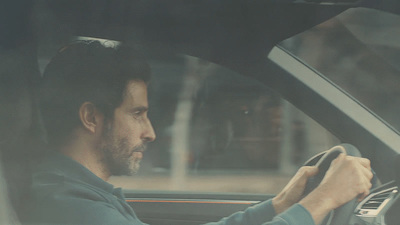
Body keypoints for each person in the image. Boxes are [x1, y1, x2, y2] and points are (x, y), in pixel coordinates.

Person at [21, 40, 373, 225]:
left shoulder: (83, 194)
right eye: (138, 114)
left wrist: (279, 205)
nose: (151, 132)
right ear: (90, 117)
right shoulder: (70, 208)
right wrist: (323, 200)